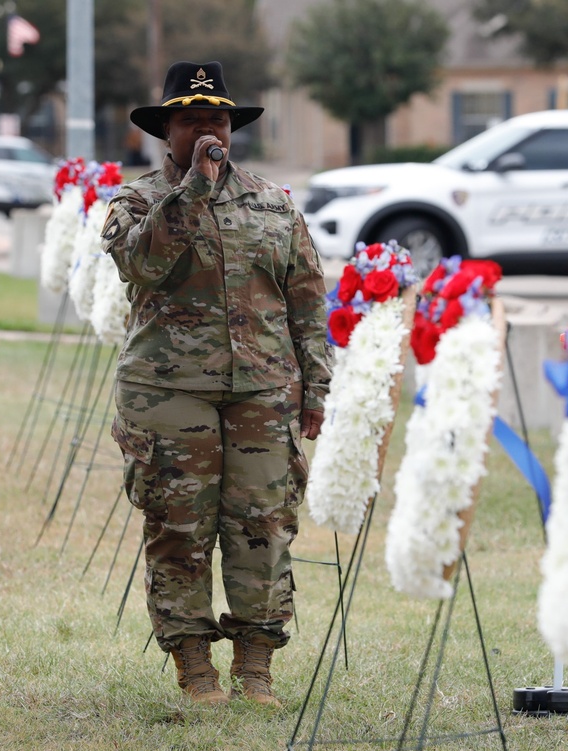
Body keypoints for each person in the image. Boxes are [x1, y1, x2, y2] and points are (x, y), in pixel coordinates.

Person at [101, 61, 332, 708]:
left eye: (219, 120)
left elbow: (307, 302)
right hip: (169, 393)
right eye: (192, 121)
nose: (209, 131)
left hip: (263, 390)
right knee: (179, 528)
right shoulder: (135, 202)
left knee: (264, 524)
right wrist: (194, 192)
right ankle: (196, 671)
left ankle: (255, 668)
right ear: (166, 132)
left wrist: (315, 388)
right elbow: (143, 264)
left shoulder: (272, 204)